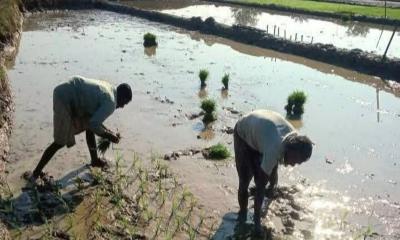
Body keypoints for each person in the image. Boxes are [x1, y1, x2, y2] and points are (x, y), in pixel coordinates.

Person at [28, 75, 132, 181]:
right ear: (122, 97)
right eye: (124, 103)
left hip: (71, 93)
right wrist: (109, 136)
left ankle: (94, 160)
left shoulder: (110, 88)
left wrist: (108, 132)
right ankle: (35, 174)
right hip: (65, 98)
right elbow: (94, 124)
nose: (122, 106)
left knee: (88, 128)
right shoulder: (111, 102)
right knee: (60, 141)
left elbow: (92, 123)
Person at [234, 109, 313, 234]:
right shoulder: (275, 148)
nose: (293, 165)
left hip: (262, 129)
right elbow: (260, 186)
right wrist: (257, 225)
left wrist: (271, 188)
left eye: (298, 163)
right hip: (244, 132)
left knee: (272, 167)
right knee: (245, 180)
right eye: (294, 160)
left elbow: (274, 164)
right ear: (290, 149)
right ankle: (242, 216)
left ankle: (271, 190)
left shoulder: (294, 139)